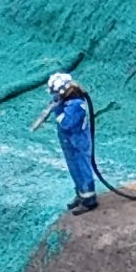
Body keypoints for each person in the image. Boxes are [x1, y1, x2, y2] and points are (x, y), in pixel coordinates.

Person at [35, 72, 102, 213]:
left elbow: (67, 123)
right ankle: (80, 194)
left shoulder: (76, 105)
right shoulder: (65, 101)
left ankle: (89, 199)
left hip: (78, 143)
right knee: (73, 170)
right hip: (68, 142)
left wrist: (58, 111)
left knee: (81, 169)